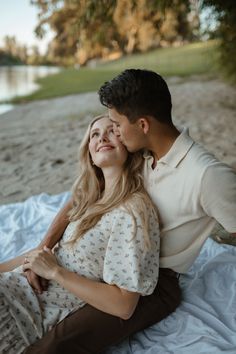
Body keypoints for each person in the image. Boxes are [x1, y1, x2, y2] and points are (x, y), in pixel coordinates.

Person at [23, 68, 236, 354]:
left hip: (154, 283)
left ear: (143, 124)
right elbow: (83, 194)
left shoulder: (207, 176)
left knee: (57, 342)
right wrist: (44, 245)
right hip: (108, 260)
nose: (115, 133)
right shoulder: (140, 149)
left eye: (117, 124)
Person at [0, 115, 161, 354]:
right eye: (94, 134)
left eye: (112, 131)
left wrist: (55, 272)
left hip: (25, 310)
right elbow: (40, 256)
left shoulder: (132, 211)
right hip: (14, 286)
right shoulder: (90, 197)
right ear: (90, 154)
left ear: (128, 143)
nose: (102, 137)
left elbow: (124, 305)